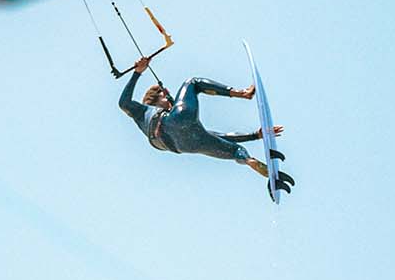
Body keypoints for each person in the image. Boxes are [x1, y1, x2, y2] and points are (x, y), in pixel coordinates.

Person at [118, 55, 294, 193]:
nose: (171, 100)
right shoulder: (143, 111)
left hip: (184, 146)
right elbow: (123, 103)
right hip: (170, 123)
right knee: (192, 83)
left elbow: (219, 136)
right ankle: (243, 93)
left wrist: (256, 135)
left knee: (234, 150)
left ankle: (249, 161)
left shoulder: (143, 122)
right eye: (166, 96)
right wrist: (137, 72)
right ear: (156, 100)